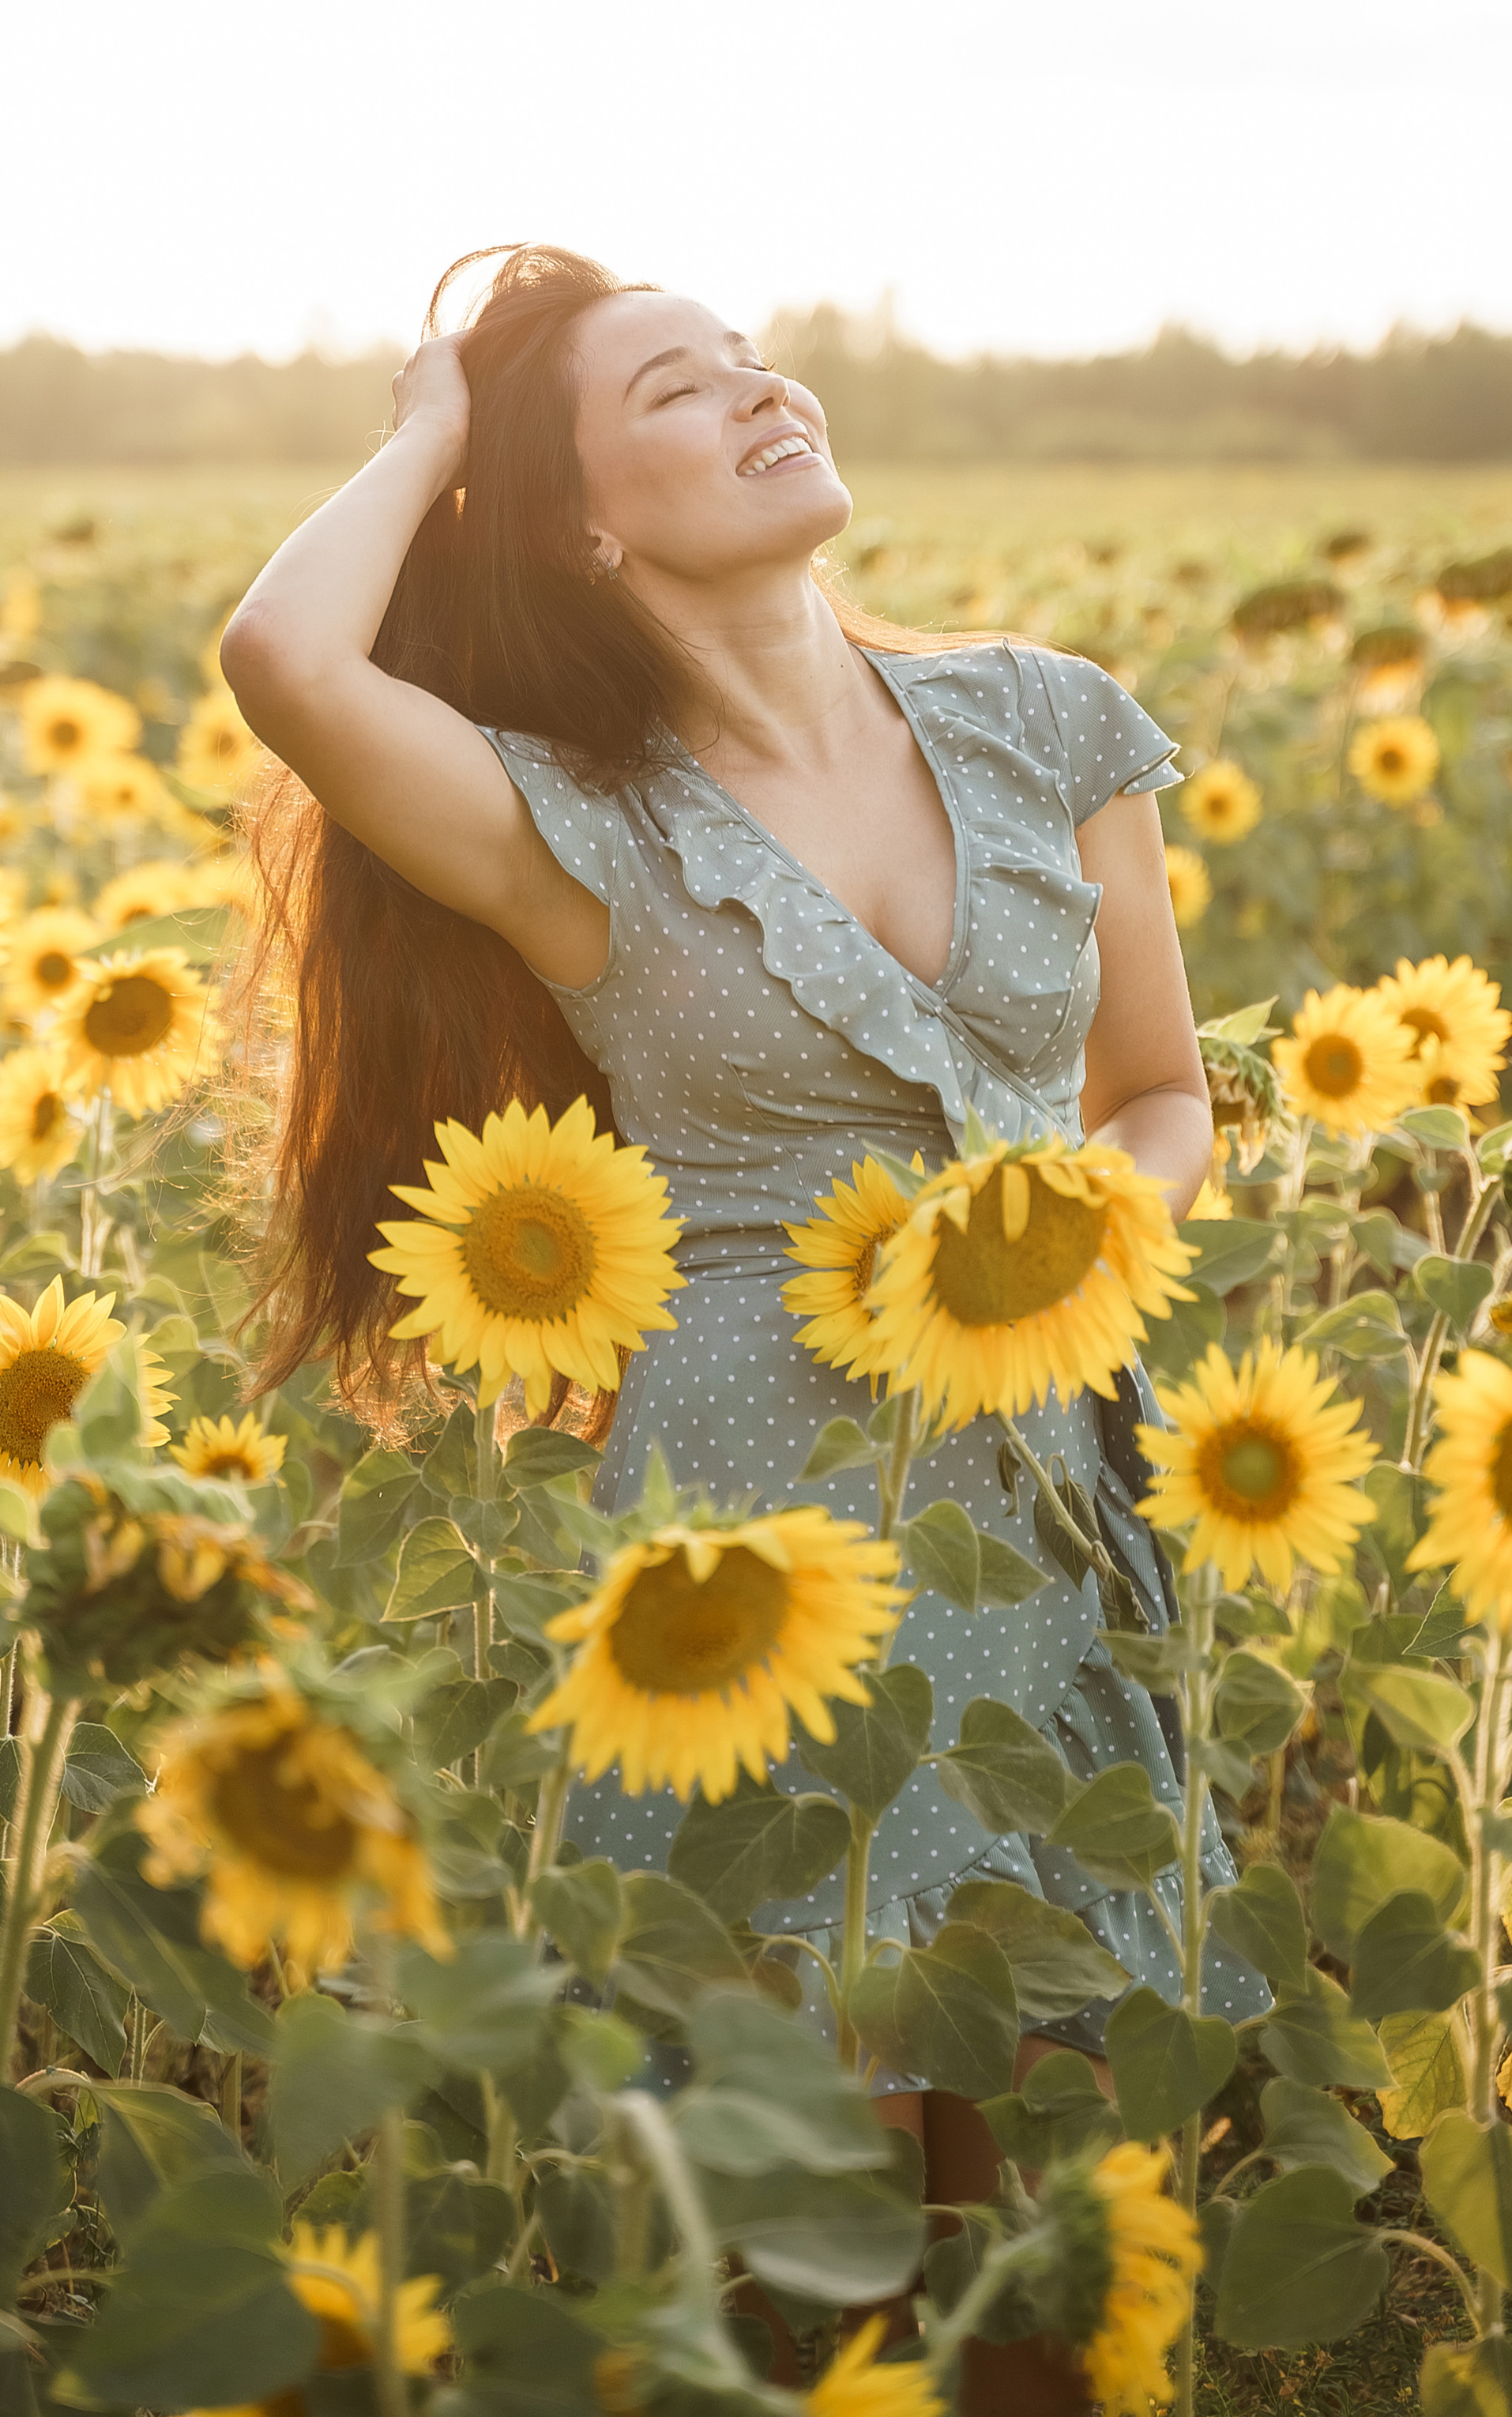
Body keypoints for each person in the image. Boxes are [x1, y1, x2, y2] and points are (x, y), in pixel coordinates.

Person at [220, 242, 1263, 2301]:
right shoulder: (570, 823)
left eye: (756, 362)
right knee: (821, 2221)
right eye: (679, 392)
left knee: (1059, 2216)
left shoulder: (1046, 725)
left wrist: (1058, 1246)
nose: (763, 391)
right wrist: (433, 427)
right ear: (578, 519)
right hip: (745, 1554)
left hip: (1043, 1501)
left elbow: (1159, 1097)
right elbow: (290, 666)